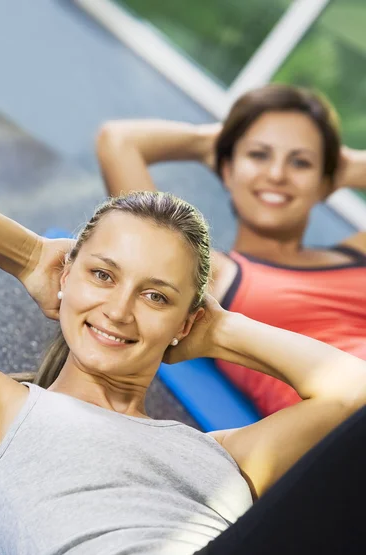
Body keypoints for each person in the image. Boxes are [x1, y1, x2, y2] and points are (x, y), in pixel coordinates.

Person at [0, 191, 365, 555]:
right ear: (66, 277)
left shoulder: (230, 455)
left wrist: (219, 331)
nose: (119, 311)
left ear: (186, 322)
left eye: (156, 296)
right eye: (103, 275)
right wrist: (30, 257)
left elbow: (353, 396)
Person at [97, 83, 366, 416]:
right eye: (258, 155)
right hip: (347, 423)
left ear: (326, 183)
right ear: (226, 168)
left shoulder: (358, 254)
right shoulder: (208, 271)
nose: (277, 174)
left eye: (301, 163)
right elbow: (118, 141)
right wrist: (209, 144)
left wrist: (344, 168)